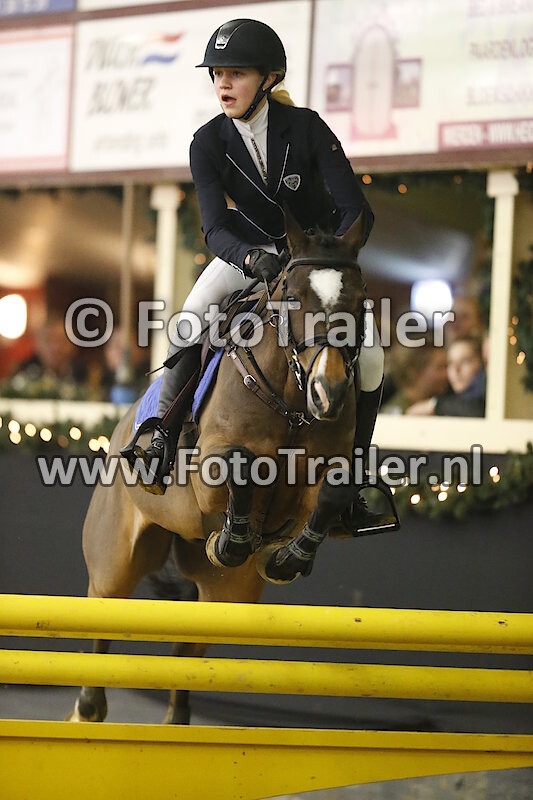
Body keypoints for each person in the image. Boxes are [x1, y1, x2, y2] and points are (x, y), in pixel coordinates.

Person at [122, 18, 396, 533]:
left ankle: (357, 476)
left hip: (313, 262)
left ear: (268, 78)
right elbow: (214, 227)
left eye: (236, 74)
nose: (223, 84)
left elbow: (354, 209)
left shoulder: (308, 129)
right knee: (189, 321)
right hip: (247, 255)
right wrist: (251, 260)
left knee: (374, 355)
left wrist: (326, 255)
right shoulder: (207, 143)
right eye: (217, 74)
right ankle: (163, 438)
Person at [405, 335, 485, 417]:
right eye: (450, 363)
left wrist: (434, 405)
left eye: (465, 361)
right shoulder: (448, 395)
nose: (456, 370)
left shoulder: (485, 392)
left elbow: (477, 409)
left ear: (482, 363)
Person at [381, 340, 449, 415]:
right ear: (414, 371)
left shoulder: (446, 403)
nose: (447, 373)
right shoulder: (394, 413)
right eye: (440, 367)